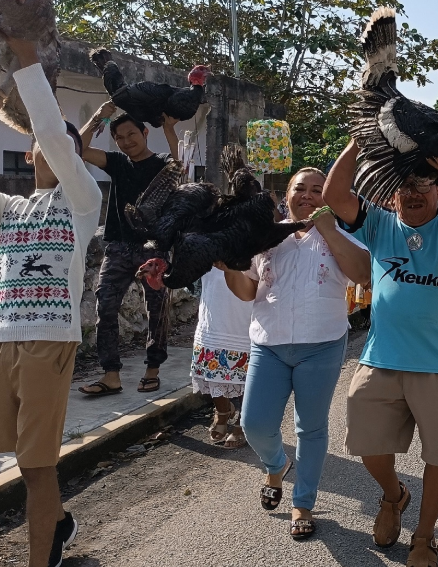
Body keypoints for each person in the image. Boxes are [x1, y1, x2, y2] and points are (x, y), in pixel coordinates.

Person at [0, 38, 102, 567]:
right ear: (29, 155)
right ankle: (57, 522)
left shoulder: (82, 203)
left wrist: (27, 64)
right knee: (18, 456)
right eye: (40, 146)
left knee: (37, 466)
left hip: (49, 342)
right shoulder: (9, 209)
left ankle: (42, 555)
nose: (52, 152)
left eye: (64, 149)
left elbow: (55, 137)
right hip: (0, 340)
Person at [324, 141, 438, 567]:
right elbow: (334, 197)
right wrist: (363, 139)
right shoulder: (377, 224)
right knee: (363, 441)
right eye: (405, 185)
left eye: (423, 185)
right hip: (381, 358)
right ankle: (394, 495)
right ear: (391, 191)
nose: (414, 193)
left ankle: (425, 536)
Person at [220, 168, 371, 539]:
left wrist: (330, 229)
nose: (307, 195)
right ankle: (276, 464)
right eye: (299, 189)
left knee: (311, 427)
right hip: (268, 346)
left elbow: (363, 273)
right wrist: (230, 265)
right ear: (285, 195)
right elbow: (245, 291)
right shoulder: (267, 238)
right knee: (253, 423)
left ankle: (302, 502)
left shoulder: (343, 234)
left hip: (321, 346)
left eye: (318, 190)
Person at [77, 110, 181, 396]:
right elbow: (80, 149)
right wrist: (98, 117)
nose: (126, 141)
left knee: (157, 309)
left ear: (145, 133)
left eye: (131, 134)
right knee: (105, 307)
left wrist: (170, 129)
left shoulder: (162, 163)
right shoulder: (118, 163)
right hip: (119, 246)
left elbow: (181, 165)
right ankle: (111, 375)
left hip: (154, 248)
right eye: (119, 137)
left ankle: (153, 369)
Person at [189, 267, 252, 448]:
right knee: (212, 356)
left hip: (247, 297)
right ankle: (222, 411)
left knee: (247, 366)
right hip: (214, 298)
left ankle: (244, 420)